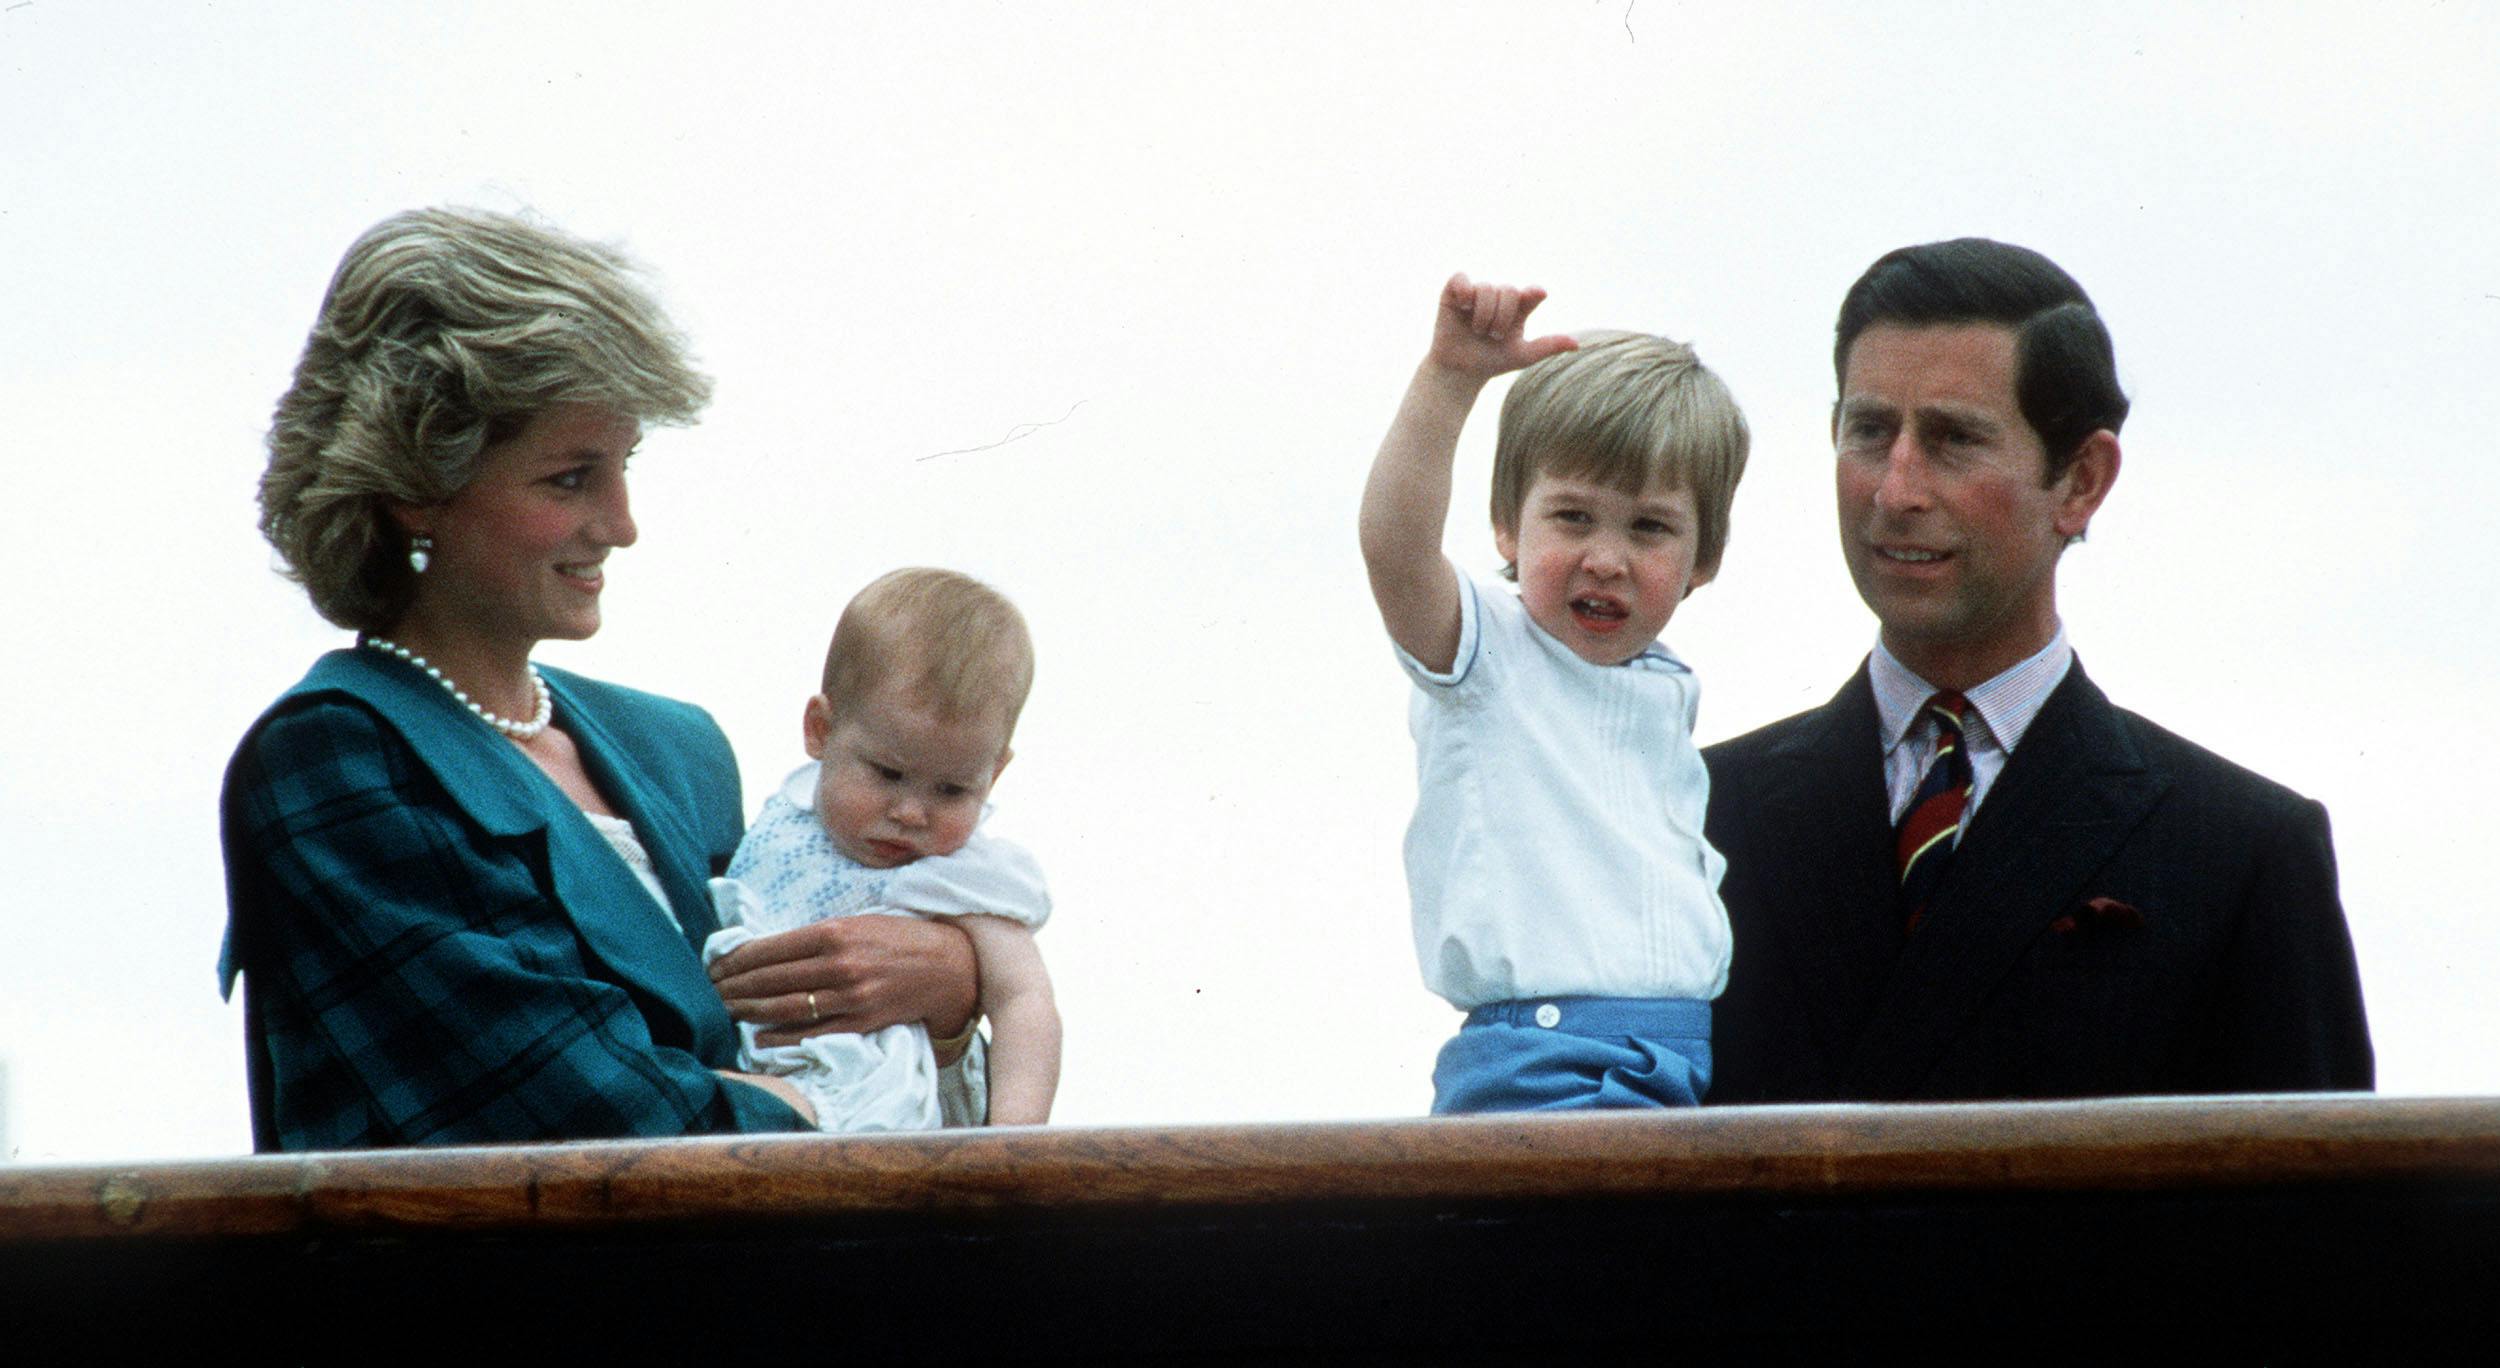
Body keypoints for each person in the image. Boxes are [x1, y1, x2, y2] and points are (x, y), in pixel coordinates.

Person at [220, 207, 982, 1148]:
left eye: (623, 466)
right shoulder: (334, 756)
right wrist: (821, 1113)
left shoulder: (679, 751)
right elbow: (576, 1119)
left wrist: (947, 995)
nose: (621, 524)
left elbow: (831, 1060)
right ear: (417, 485)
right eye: (571, 478)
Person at [1703, 238, 2373, 1103]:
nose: (1895, 487)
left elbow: (2326, 1227)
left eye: (1952, 439)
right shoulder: (1689, 814)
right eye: (1869, 431)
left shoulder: (2241, 852)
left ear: (2082, 481)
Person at [1360, 273, 1750, 1113]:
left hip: (1678, 1058)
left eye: (1648, 527)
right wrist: (1449, 382)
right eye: (1573, 518)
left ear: (1703, 558)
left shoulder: (1666, 686)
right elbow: (1395, 547)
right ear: (1508, 524)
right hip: (1543, 1059)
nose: (1605, 558)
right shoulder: (1486, 653)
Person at [705, 568, 1060, 1129]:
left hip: (866, 1110)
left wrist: (1011, 1146)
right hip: (742, 1063)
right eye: (888, 773)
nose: (912, 813)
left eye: (952, 789)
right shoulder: (788, 818)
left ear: (993, 773)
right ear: (820, 730)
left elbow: (1025, 1003)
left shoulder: (962, 873)